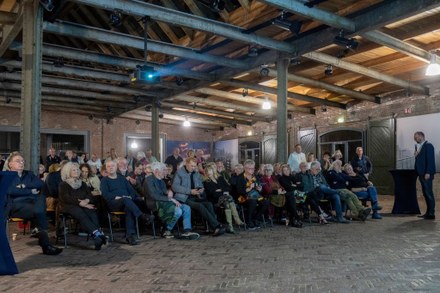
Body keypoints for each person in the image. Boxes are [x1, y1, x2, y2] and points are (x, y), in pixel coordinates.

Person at [5, 152, 63, 255]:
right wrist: (29, 191)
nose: (21, 163)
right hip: (16, 206)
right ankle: (45, 244)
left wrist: (23, 186)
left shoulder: (29, 174)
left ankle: (43, 239)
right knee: (40, 211)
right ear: (10, 164)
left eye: (22, 161)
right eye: (18, 161)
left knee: (40, 200)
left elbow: (40, 184)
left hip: (33, 204)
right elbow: (10, 191)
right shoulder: (6, 176)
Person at [100, 159, 151, 245]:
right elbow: (105, 195)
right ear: (106, 169)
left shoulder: (122, 179)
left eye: (112, 166)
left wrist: (130, 197)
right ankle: (142, 216)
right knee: (125, 200)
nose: (111, 168)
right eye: (108, 166)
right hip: (113, 203)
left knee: (129, 208)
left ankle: (130, 236)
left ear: (116, 167)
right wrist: (117, 197)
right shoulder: (104, 180)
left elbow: (131, 191)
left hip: (127, 202)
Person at [145, 162, 199, 240]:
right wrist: (170, 199)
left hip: (164, 201)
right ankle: (167, 230)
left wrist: (169, 191)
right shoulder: (149, 180)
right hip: (154, 203)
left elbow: (164, 192)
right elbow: (154, 196)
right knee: (178, 210)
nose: (165, 172)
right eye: (163, 170)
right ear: (156, 171)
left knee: (186, 208)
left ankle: (187, 231)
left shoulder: (161, 181)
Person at [172, 157, 225, 236]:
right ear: (186, 164)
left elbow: (200, 184)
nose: (193, 168)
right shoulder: (179, 172)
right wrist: (190, 191)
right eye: (191, 166)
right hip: (184, 198)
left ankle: (213, 228)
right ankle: (216, 226)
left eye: (194, 166)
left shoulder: (196, 174)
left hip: (196, 196)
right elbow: (175, 187)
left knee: (209, 204)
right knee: (200, 206)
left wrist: (201, 189)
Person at [58, 162, 106, 250]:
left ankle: (97, 238)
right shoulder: (63, 184)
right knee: (80, 213)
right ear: (68, 172)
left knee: (91, 211)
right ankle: (98, 234)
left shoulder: (82, 184)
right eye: (73, 170)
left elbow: (89, 195)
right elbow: (66, 198)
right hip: (69, 206)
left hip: (83, 205)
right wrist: (80, 203)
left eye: (77, 170)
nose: (76, 171)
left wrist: (86, 200)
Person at [203, 163, 244, 233]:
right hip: (215, 200)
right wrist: (223, 190)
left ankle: (230, 226)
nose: (208, 173)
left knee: (227, 202)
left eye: (210, 171)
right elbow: (211, 193)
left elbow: (229, 188)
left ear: (213, 171)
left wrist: (221, 190)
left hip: (224, 199)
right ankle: (236, 221)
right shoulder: (206, 182)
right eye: (207, 172)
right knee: (228, 198)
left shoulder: (220, 178)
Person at [235, 159, 270, 229]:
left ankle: (256, 219)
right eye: (250, 168)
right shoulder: (240, 177)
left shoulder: (255, 177)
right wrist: (248, 189)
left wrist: (260, 189)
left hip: (255, 195)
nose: (252, 170)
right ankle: (249, 221)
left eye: (253, 168)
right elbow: (238, 191)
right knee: (252, 202)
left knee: (266, 202)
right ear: (245, 168)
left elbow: (259, 187)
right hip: (242, 197)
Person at [414, 131, 436, 220]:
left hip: (426, 174)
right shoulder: (420, 147)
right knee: (426, 194)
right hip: (421, 174)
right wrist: (416, 155)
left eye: (416, 137)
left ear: (421, 136)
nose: (415, 139)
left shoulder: (428, 145)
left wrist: (428, 172)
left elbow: (430, 160)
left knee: (429, 194)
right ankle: (428, 213)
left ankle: (431, 214)